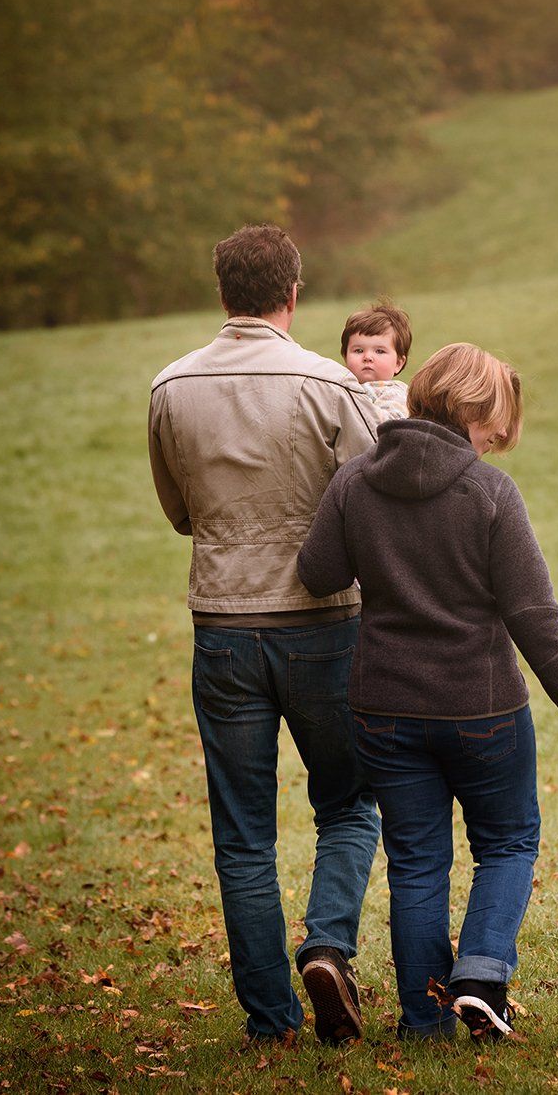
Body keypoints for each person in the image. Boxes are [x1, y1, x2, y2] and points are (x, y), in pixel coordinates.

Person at [297, 342, 558, 1041]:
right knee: (507, 841)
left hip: (383, 706)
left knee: (415, 862)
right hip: (483, 707)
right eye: (492, 429)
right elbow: (531, 611)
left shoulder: (353, 481)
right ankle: (481, 975)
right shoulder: (490, 493)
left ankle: (424, 1020)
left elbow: (317, 572)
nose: (494, 444)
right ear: (465, 407)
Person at [148, 224, 401, 1045]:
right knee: (350, 804)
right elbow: (375, 501)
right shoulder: (334, 386)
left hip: (223, 625)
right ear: (294, 294)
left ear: (222, 292)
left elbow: (181, 512)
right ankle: (327, 943)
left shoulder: (170, 387)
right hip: (326, 626)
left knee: (243, 833)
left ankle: (270, 1019)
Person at [340, 303, 412, 419]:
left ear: (398, 363)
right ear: (345, 358)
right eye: (358, 351)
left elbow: (389, 426)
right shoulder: (339, 387)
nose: (367, 357)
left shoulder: (395, 393)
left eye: (379, 351)